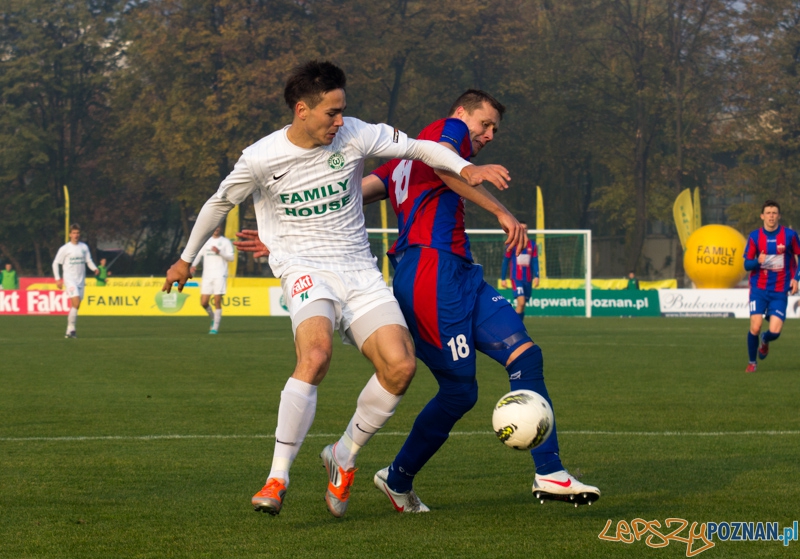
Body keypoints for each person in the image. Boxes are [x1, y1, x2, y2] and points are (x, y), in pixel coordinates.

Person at [162, 61, 511, 518]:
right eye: (331, 112)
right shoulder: (261, 158)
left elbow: (423, 150)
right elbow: (220, 202)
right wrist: (186, 258)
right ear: (302, 110)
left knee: (401, 366)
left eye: (343, 110)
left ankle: (343, 455)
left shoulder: (356, 135)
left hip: (359, 270)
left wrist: (468, 168)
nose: (340, 121)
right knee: (316, 355)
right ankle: (277, 475)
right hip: (305, 267)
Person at [364, 89, 600, 512]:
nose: (489, 134)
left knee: (526, 358)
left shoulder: (403, 159)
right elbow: (449, 164)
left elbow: (355, 192)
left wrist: (300, 220)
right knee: (460, 393)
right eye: (484, 124)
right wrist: (501, 211)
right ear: (459, 113)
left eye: (494, 129)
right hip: (430, 274)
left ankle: (549, 472)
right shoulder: (446, 130)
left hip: (461, 273)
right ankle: (396, 478)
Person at [743, 199, 800, 373]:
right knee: (756, 325)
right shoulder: (754, 236)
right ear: (762, 216)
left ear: (779, 216)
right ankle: (752, 362)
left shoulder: (790, 235)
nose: (771, 216)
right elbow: (746, 265)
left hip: (780, 290)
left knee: (774, 331)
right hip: (759, 289)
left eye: (774, 213)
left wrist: (796, 279)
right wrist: (756, 262)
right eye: (768, 213)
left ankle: (765, 340)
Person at [52, 224, 98, 338]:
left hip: (80, 280)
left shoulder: (84, 247)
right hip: (69, 279)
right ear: (69, 234)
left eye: (77, 233)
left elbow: (89, 260)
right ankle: (72, 329)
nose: (76, 235)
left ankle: (69, 331)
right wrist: (58, 279)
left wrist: (94, 268)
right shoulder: (65, 248)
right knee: (76, 302)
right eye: (74, 233)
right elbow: (55, 263)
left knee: (76, 305)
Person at [190, 226, 234, 334]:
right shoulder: (206, 241)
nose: (217, 229)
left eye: (219, 227)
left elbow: (231, 258)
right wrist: (193, 265)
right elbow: (199, 255)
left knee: (217, 301)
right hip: (207, 275)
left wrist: (219, 252)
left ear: (220, 228)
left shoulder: (225, 242)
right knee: (204, 302)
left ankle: (215, 327)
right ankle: (213, 317)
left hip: (220, 274)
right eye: (215, 227)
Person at [500, 222, 539, 320]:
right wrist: (503, 278)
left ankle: (519, 326)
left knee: (522, 305)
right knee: (521, 302)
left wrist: (537, 276)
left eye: (525, 228)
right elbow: (506, 261)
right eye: (521, 228)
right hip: (516, 278)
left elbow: (535, 261)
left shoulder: (532, 245)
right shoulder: (512, 244)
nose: (524, 230)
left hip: (528, 278)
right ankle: (514, 325)